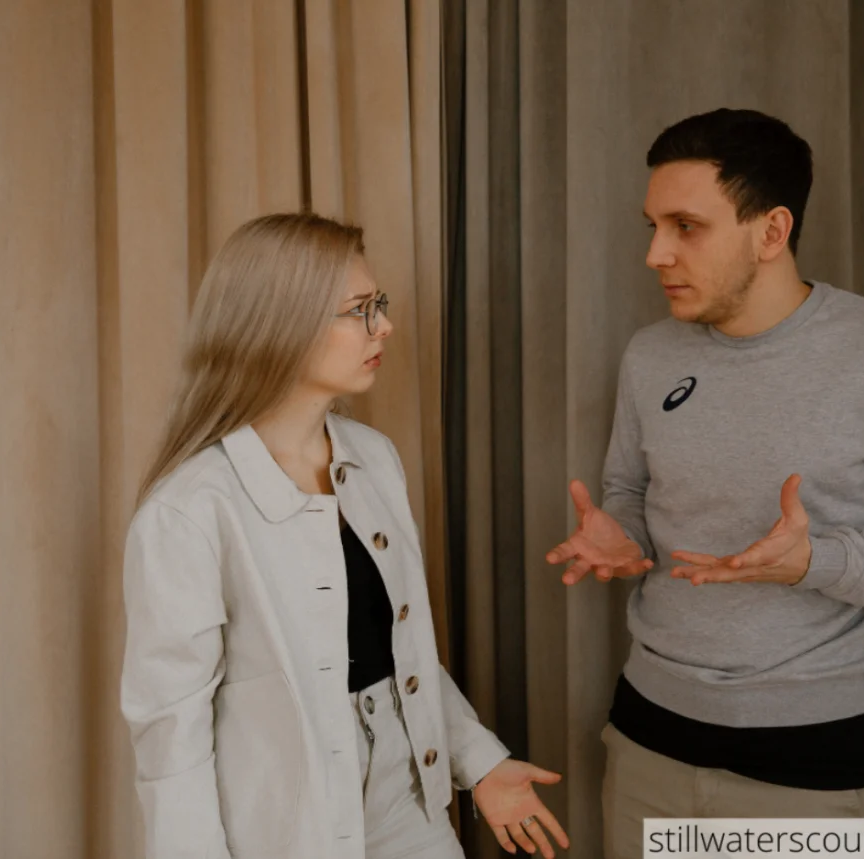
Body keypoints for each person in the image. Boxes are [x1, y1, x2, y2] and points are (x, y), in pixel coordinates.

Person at [545, 108, 864, 857]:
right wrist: (622, 531)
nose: (656, 253)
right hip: (647, 739)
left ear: (772, 231)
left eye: (686, 226)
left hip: (805, 765)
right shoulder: (650, 354)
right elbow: (630, 489)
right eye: (652, 225)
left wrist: (817, 561)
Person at [121, 213, 570, 859]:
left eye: (378, 304)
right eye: (358, 309)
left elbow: (404, 654)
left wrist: (479, 761)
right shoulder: (188, 512)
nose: (383, 325)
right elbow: (171, 738)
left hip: (410, 797)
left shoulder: (373, 457)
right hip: (283, 827)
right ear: (282, 324)